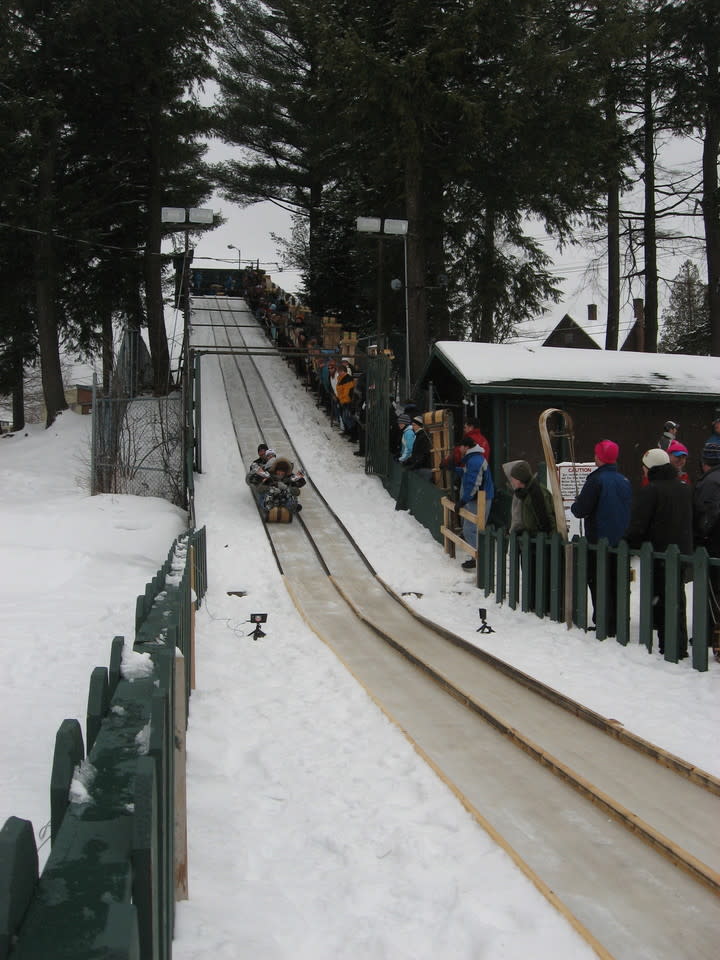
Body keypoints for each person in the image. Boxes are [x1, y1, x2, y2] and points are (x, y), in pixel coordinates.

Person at [626, 448, 692, 658]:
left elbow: (638, 525)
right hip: (681, 552)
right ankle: (678, 643)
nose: (642, 472)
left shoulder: (651, 491)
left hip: (659, 553)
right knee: (677, 598)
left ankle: (668, 644)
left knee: (662, 600)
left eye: (644, 468)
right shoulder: (684, 488)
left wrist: (626, 544)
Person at [570, 440, 631, 637]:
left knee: (598, 581)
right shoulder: (624, 481)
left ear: (599, 457)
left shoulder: (596, 481)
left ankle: (604, 620)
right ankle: (618, 620)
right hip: (620, 541)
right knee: (616, 582)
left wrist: (576, 504)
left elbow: (581, 510)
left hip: (599, 540)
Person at [692, 441, 720, 659]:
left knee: (713, 593)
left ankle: (712, 634)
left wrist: (701, 536)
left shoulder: (709, 484)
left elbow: (707, 514)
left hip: (714, 545)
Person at [454, 436, 494, 570]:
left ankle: (479, 558)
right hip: (478, 498)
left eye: (460, 447)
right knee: (473, 529)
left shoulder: (475, 460)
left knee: (469, 529)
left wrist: (463, 500)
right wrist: (453, 469)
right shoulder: (474, 459)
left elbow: (473, 483)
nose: (459, 450)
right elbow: (467, 474)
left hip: (479, 499)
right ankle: (477, 557)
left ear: (466, 447)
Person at [403, 416, 433, 481]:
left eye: (414, 425)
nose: (412, 427)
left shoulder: (423, 437)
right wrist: (408, 461)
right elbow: (416, 454)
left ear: (419, 426)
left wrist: (413, 466)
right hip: (422, 467)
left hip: (423, 468)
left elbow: (422, 455)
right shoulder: (420, 436)